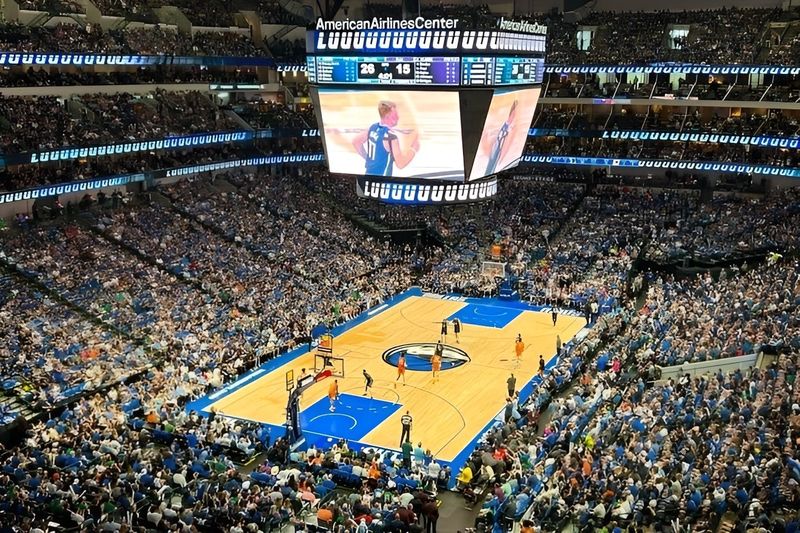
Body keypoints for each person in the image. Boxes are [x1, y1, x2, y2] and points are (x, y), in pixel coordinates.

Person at [351, 101, 419, 176]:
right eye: (395, 115)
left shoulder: (373, 127)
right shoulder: (390, 136)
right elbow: (400, 164)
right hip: (382, 180)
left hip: (368, 176)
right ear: (387, 117)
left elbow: (356, 142)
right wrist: (414, 149)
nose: (398, 117)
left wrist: (369, 159)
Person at [484, 100, 518, 176]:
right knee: (492, 161)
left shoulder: (508, 127)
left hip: (499, 145)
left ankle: (489, 172)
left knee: (493, 162)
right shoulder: (505, 125)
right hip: (497, 144)